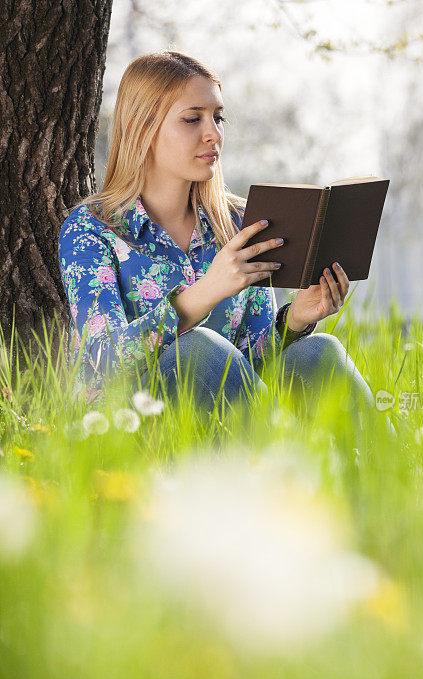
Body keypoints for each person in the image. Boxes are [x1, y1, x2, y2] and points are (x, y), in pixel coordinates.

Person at [58, 50, 395, 435]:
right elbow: (104, 359)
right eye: (192, 119)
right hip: (131, 428)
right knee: (198, 349)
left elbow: (250, 363)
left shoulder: (237, 224)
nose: (213, 134)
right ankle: (291, 469)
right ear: (142, 127)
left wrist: (297, 320)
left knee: (320, 352)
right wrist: (205, 293)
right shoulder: (92, 229)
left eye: (218, 118)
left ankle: (389, 483)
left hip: (231, 422)